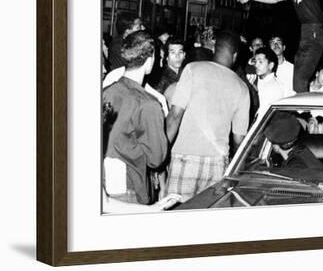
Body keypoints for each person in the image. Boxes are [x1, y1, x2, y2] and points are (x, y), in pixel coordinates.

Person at [165, 30, 250, 202]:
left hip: (184, 157)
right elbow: (239, 139)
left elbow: (175, 115)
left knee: (174, 216)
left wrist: (162, 151)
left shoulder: (192, 69)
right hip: (218, 163)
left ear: (214, 49)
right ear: (235, 55)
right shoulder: (242, 87)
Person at [237, 0, 323, 93]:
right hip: (306, 32)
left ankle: (302, 113)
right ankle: (302, 109)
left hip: (314, 32)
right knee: (297, 77)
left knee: (300, 79)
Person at [102, 31, 169, 205]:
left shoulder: (106, 91)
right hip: (130, 186)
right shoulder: (148, 104)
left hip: (103, 182)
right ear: (150, 60)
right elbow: (156, 159)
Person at [253, 47, 286, 118]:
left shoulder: (274, 87)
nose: (256, 65)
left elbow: (263, 115)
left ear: (271, 65)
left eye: (260, 62)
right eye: (255, 61)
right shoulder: (257, 81)